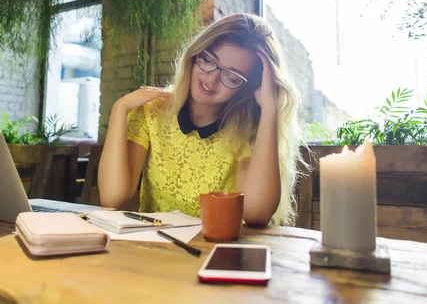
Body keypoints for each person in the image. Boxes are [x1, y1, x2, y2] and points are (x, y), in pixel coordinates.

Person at [98, 13, 304, 226]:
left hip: (216, 251)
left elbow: (256, 213)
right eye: (208, 60)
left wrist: (270, 108)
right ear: (195, 54)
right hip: (156, 250)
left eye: (232, 77)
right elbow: (113, 198)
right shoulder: (152, 112)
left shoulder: (245, 132)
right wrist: (119, 109)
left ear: (248, 88)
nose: (211, 78)